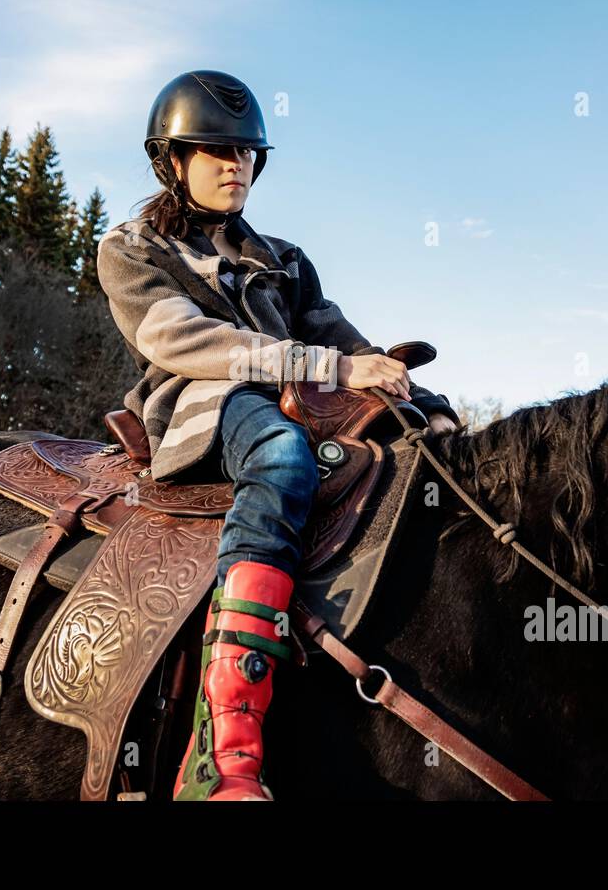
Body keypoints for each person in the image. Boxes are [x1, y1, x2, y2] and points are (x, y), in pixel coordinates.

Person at [95, 69, 460, 800]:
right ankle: (222, 752)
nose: (237, 167)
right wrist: (320, 365)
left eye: (248, 154)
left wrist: (412, 396)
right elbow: (181, 339)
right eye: (216, 151)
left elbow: (344, 341)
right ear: (171, 160)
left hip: (297, 394)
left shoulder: (283, 258)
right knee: (284, 458)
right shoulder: (131, 247)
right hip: (201, 402)